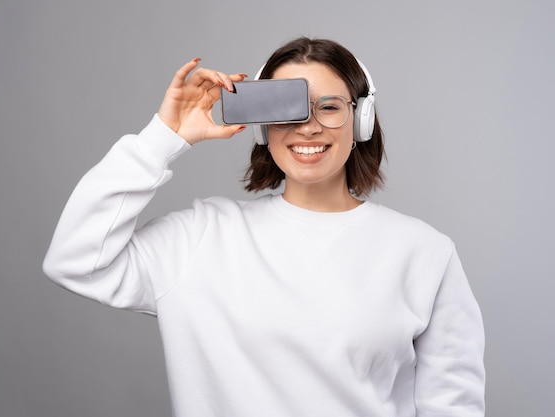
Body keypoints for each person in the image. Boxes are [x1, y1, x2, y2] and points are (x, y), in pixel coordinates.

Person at [43, 37, 485, 417]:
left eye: (329, 107)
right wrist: (163, 137)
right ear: (261, 126)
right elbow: (76, 260)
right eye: (286, 107)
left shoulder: (425, 252)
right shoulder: (200, 237)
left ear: (361, 119)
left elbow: (452, 407)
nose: (307, 127)